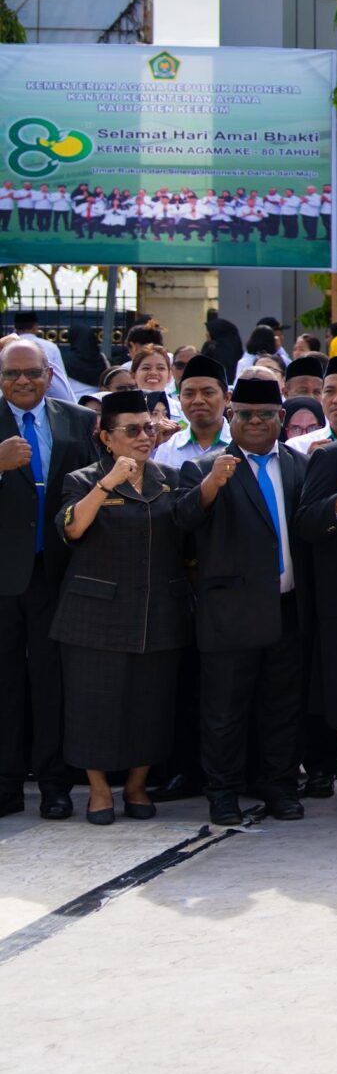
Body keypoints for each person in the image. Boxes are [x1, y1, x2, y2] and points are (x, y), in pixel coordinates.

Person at [50, 392, 197, 824]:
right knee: (93, 705)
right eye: (131, 430)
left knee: (150, 706)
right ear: (105, 438)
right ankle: (98, 790)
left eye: (149, 427)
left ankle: (136, 785)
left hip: (158, 612)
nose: (143, 437)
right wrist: (107, 483)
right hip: (95, 614)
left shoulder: (170, 478)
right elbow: (72, 527)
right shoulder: (83, 479)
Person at [174, 377, 307, 826]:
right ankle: (223, 792)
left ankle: (280, 787)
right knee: (224, 712)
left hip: (287, 606)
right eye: (245, 414)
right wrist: (212, 484)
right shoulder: (205, 467)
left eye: (265, 414)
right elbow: (186, 518)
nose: (255, 422)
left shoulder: (296, 464)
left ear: (280, 419)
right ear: (230, 417)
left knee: (281, 706)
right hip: (231, 612)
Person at [2, 337, 96, 819]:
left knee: (50, 680)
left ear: (48, 374)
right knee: (5, 683)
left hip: (57, 572)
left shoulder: (76, 420)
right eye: (11, 374)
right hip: (2, 575)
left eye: (31, 373)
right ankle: (6, 784)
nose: (22, 381)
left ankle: (55, 783)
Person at [155, 353, 232, 468]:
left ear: (227, 398)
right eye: (189, 394)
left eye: (208, 393)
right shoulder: (167, 449)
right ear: (180, 399)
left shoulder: (240, 444)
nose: (198, 400)